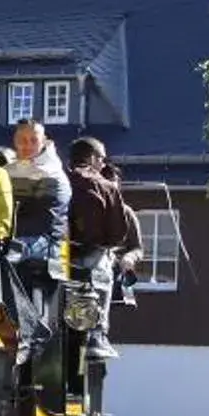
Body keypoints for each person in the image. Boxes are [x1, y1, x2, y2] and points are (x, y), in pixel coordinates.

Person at [66, 135, 145, 358]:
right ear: (92, 158)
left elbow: (135, 247)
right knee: (97, 274)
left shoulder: (58, 181)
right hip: (83, 255)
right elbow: (115, 235)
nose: (102, 165)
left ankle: (85, 331)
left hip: (72, 256)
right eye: (101, 159)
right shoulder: (101, 188)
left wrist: (129, 258)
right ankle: (96, 333)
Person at [5, 118, 73, 262]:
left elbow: (41, 219)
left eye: (33, 140)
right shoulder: (10, 170)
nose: (27, 145)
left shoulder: (51, 172)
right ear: (15, 141)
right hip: (24, 240)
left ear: (43, 141)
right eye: (22, 140)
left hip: (49, 244)